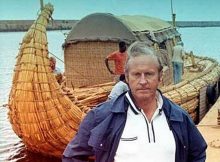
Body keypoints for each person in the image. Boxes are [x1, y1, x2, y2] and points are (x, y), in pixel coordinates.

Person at [62, 41, 207, 162]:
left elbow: (198, 153)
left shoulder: (178, 117)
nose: (143, 81)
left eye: (149, 74)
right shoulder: (102, 117)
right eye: (136, 74)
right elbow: (72, 156)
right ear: (126, 77)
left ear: (160, 76)